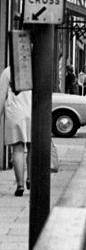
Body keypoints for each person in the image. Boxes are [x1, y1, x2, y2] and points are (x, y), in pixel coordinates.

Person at [2, 66, 31, 196]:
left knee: (18, 149)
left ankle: (20, 185)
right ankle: (31, 178)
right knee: (32, 148)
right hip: (33, 112)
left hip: (15, 113)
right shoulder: (35, 69)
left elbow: (2, 95)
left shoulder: (9, 71)